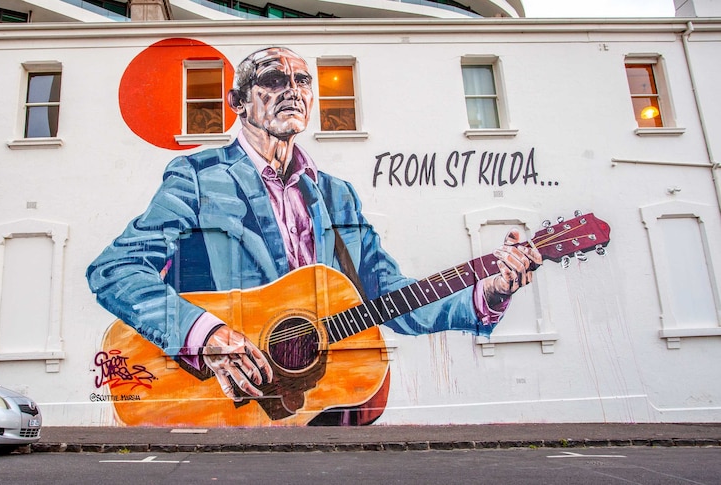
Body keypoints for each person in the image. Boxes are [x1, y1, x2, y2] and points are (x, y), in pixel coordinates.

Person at [87, 47, 541, 415]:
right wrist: (204, 335)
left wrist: (490, 291)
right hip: (217, 402)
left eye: (302, 81)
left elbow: (393, 298)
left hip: (321, 406)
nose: (292, 90)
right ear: (238, 102)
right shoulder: (198, 177)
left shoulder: (338, 195)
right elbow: (116, 270)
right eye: (273, 80)